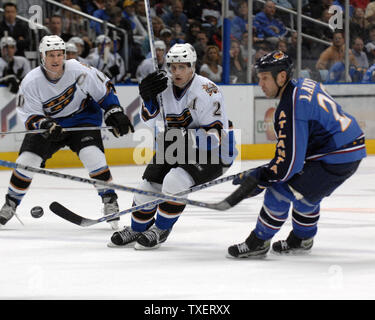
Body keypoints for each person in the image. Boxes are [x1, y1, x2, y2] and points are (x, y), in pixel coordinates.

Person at [227, 51, 366, 258]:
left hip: (336, 155)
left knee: (279, 190)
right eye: (259, 78)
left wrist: (261, 178)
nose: (260, 83)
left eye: (264, 77)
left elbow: (288, 165)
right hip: (344, 149)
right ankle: (302, 239)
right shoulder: (302, 85)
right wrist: (264, 173)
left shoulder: (290, 106)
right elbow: (292, 156)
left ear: (281, 77)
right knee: (305, 195)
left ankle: (259, 242)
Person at [108, 43, 238, 249]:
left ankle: (161, 229)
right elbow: (150, 121)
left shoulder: (208, 91)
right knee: (146, 187)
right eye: (172, 66)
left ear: (192, 67)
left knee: (175, 181)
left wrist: (180, 136)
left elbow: (214, 138)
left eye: (182, 67)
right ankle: (137, 229)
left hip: (215, 153)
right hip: (177, 145)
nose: (176, 72)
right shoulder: (163, 87)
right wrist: (148, 98)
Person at [0, 35, 134, 229]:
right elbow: (29, 115)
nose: (56, 60)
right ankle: (11, 203)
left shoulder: (79, 70)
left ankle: (109, 200)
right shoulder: (31, 82)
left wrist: (115, 111)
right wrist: (45, 125)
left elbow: (104, 90)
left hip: (83, 120)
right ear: (42, 57)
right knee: (26, 161)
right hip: (51, 125)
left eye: (59, 55)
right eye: (51, 55)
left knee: (93, 156)